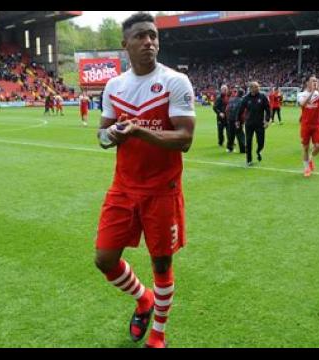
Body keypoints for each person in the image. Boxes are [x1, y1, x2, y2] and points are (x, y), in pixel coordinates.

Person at [94, 12, 196, 349]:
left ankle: (159, 334)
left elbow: (184, 139)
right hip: (123, 187)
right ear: (125, 45)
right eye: (139, 36)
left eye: (152, 35)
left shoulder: (175, 82)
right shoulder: (114, 86)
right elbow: (101, 135)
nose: (148, 41)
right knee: (104, 259)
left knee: (161, 262)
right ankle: (143, 299)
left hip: (162, 191)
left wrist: (138, 130)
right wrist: (111, 134)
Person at [297, 75, 319, 177]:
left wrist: (318, 90)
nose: (314, 82)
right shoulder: (302, 94)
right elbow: (302, 104)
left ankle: (310, 158)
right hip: (305, 124)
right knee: (305, 147)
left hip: (316, 124)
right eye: (312, 81)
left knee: (318, 146)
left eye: (316, 81)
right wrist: (311, 93)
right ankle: (306, 169)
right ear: (307, 83)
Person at [241, 81, 271, 166]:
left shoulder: (262, 97)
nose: (258, 88)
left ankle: (259, 151)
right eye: (256, 87)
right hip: (249, 124)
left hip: (260, 124)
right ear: (251, 88)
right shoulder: (246, 98)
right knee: (249, 141)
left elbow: (268, 109)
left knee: (261, 142)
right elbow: (240, 109)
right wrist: (237, 120)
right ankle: (249, 160)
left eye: (258, 87)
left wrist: (267, 120)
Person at [225, 88, 246, 154]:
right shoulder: (242, 101)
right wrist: (242, 121)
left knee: (231, 134)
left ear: (237, 93)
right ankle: (243, 149)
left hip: (230, 119)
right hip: (237, 120)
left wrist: (228, 118)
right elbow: (242, 112)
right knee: (240, 134)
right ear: (243, 94)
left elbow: (227, 110)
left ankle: (229, 148)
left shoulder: (231, 100)